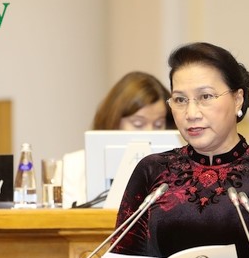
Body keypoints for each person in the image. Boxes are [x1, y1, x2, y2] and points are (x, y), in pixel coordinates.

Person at [110, 42, 249, 258]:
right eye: (180, 100)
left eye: (205, 97)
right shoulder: (152, 172)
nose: (191, 113)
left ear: (238, 98)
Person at [61, 71, 175, 208]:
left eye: (158, 125)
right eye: (138, 124)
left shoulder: (181, 166)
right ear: (114, 121)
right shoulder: (75, 166)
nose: (149, 133)